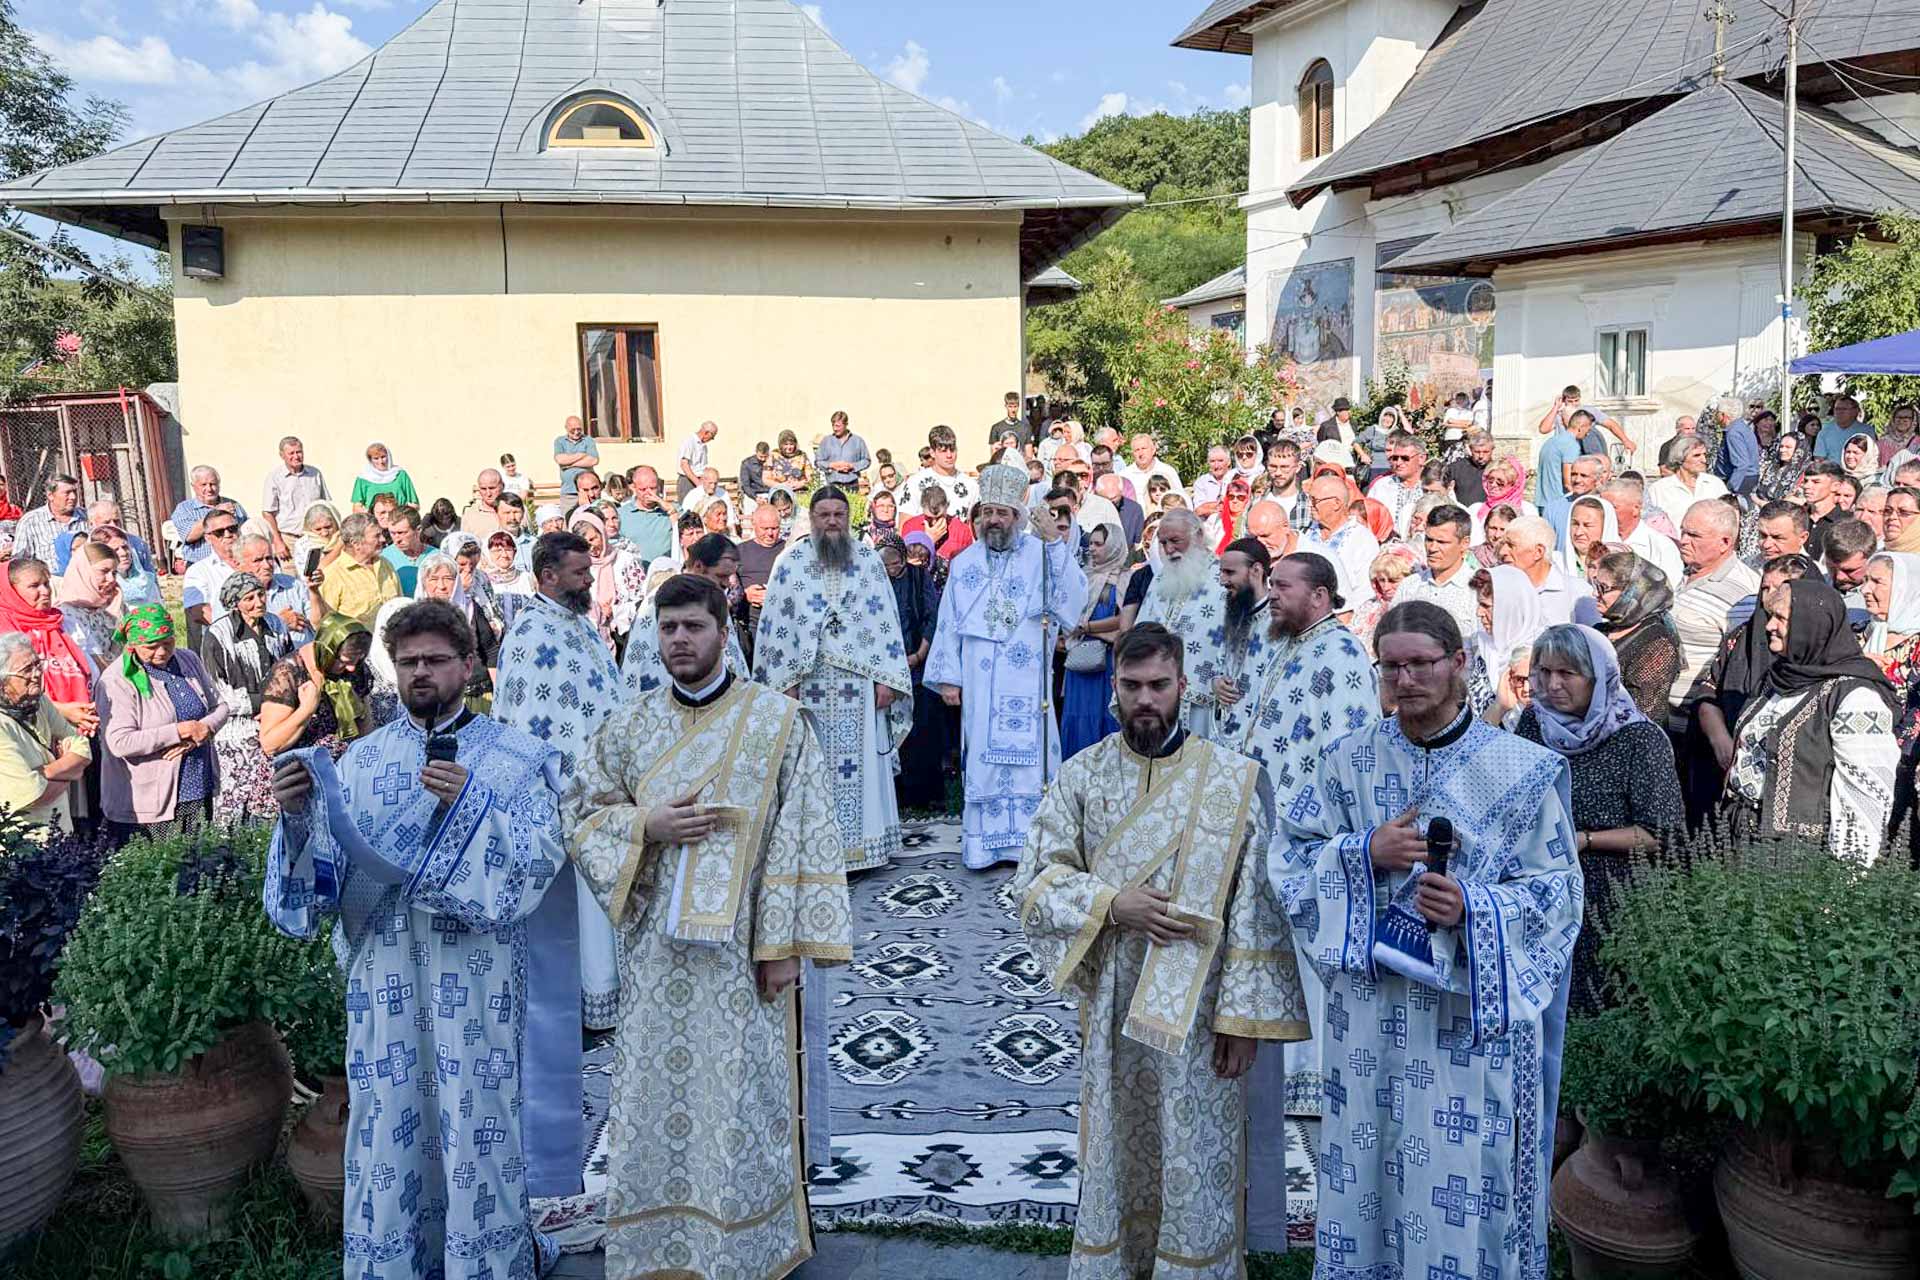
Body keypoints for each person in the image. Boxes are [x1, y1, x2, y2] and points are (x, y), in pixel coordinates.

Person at [266, 598, 581, 1277]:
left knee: (478, 1129)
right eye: (408, 662)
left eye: (436, 660)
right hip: (386, 987)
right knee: (388, 1130)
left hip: (478, 982)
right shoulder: (359, 763)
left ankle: (484, 1264)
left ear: (468, 666)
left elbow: (535, 865)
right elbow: (319, 893)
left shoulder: (517, 759)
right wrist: (296, 817)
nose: (421, 673)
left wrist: (472, 806)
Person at [1275, 600, 1581, 1280]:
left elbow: (1558, 894)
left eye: (1421, 664)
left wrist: (1475, 908)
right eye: (1392, 667)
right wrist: (1363, 852)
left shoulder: (1519, 767)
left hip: (1469, 1023)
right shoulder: (1346, 762)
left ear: (1459, 663)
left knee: (1463, 1176)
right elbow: (1289, 862)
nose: (1406, 679)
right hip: (1371, 1020)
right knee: (1369, 1168)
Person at [565, 572, 851, 1280]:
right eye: (668, 628)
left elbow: (804, 832)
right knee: (655, 1095)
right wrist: (646, 825)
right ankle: (661, 1243)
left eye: (694, 626)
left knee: (741, 1097)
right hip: (655, 955)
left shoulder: (776, 722)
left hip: (743, 956)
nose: (680, 640)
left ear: (725, 633)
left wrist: (783, 946)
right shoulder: (628, 727)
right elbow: (581, 815)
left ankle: (746, 1245)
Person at [1015, 623, 1307, 1279]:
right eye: (1132, 685)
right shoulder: (1081, 775)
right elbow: (1033, 879)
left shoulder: (1230, 781)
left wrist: (1241, 1022)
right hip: (1113, 1001)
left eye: (1158, 685)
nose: (1145, 699)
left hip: (1201, 1014)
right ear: (1114, 687)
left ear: (1183, 685)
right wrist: (1110, 904)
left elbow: (1256, 907)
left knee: (1194, 1149)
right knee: (1118, 1141)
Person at [1216, 550, 1377, 1127]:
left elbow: (1352, 751)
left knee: (1304, 946)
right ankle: (1263, 1058)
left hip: (1306, 832)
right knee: (1258, 938)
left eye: (1284, 586)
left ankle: (1309, 1076)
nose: (1273, 595)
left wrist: (1321, 827)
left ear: (1320, 595)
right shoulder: (1278, 640)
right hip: (1258, 820)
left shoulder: (1343, 655)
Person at [927, 463, 1086, 869]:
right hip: (979, 681)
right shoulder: (964, 563)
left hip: (1028, 679)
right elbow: (948, 621)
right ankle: (984, 847)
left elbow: (1072, 600)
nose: (994, 520)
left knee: (1033, 761)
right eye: (988, 512)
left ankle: (1031, 846)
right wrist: (949, 678)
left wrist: (1055, 543)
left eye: (1002, 512)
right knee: (983, 757)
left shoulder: (1041, 553)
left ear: (1018, 516)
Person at [1516, 625, 1682, 1014]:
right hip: (1541, 888)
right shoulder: (1534, 725)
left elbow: (1661, 833)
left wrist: (1585, 839)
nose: (1553, 685)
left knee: (1601, 1007)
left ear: (1597, 678)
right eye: (1544, 672)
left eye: (1567, 673)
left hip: (1611, 895)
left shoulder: (1638, 739)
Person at [494, 531, 622, 1029]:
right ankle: (581, 1005)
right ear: (548, 576)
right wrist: (565, 786)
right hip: (563, 796)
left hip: (603, 791)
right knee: (577, 908)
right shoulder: (529, 635)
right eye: (580, 572)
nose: (589, 579)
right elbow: (527, 721)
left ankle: (608, 994)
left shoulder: (580, 624)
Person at [753, 487, 911, 871]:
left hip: (860, 684)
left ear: (848, 517)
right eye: (824, 515)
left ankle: (863, 849)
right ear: (812, 518)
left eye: (839, 514)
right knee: (812, 766)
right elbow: (776, 627)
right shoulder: (790, 563)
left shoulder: (869, 561)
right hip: (808, 684)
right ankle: (816, 851)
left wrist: (887, 680)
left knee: (860, 766)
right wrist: (784, 684)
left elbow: (885, 622)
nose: (832, 522)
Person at [1724, 578, 1899, 863]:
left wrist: (1849, 874)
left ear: (1811, 625)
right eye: (1770, 616)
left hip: (1798, 858)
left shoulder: (1854, 697)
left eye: (1781, 618)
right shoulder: (1777, 680)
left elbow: (1866, 794)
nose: (1769, 625)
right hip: (1739, 839)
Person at [96, 606, 226, 839]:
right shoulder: (117, 680)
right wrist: (179, 731)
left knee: (200, 854)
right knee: (160, 858)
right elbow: (120, 742)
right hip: (148, 801)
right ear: (133, 644)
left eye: (168, 642)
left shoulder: (187, 659)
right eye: (152, 646)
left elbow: (220, 706)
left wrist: (203, 730)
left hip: (197, 782)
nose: (162, 651)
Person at [1128, 509, 1226, 736]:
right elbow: (1142, 627)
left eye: (1175, 540)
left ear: (1198, 536)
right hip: (1155, 693)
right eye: (1163, 543)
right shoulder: (1161, 577)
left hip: (1200, 698)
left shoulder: (1223, 579)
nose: (1169, 549)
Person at [0, 632, 91, 832]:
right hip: (24, 841)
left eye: (37, 665)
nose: (36, 674)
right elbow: (32, 793)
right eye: (27, 669)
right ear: (3, 682)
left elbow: (81, 744)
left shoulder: (39, 702)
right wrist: (70, 773)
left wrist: (47, 772)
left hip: (60, 831)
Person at [0, 557, 97, 734]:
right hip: (32, 728)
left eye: (46, 584)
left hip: (82, 719)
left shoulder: (59, 621)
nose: (45, 591)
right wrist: (62, 711)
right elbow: (12, 690)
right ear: (11, 590)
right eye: (34, 586)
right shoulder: (5, 631)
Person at [1059, 518, 1127, 760]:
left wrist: (1087, 628)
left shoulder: (1124, 578)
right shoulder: (1084, 576)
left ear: (1114, 546)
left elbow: (1124, 620)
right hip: (1080, 659)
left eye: (1099, 544)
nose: (1092, 549)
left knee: (1103, 713)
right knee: (1079, 713)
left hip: (1107, 659)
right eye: (1091, 544)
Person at [1297, 471, 1381, 611]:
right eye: (1308, 499)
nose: (1309, 505)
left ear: (1336, 503)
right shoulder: (1305, 533)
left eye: (1314, 500)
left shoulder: (1362, 540)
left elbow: (1365, 592)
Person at [1396, 505, 1480, 642]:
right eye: (1429, 540)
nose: (1432, 548)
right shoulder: (1410, 586)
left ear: (1464, 543)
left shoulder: (1477, 590)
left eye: (1442, 542)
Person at [564, 509, 645, 650]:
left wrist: (615, 610)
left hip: (625, 632)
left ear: (602, 533)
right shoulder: (576, 568)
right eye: (584, 544)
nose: (591, 547)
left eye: (593, 539)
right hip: (591, 635)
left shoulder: (625, 560)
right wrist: (596, 612)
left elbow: (640, 598)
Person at [1501, 515, 1598, 626]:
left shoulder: (1578, 593)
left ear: (1538, 552)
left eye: (1511, 545)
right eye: (1503, 544)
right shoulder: (1499, 589)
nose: (1502, 552)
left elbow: (1591, 635)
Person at [318, 512, 402, 628]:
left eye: (381, 534)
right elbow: (325, 623)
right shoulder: (333, 575)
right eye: (377, 536)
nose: (383, 539)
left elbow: (400, 604)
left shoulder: (385, 564)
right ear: (356, 543)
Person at [54, 540, 125, 674]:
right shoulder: (67, 616)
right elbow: (100, 667)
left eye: (114, 573)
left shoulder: (108, 605)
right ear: (83, 572)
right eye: (104, 571)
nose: (111, 579)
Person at [259, 436, 330, 563]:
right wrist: (277, 541)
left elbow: (325, 505)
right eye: (291, 453)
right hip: (289, 540)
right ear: (282, 455)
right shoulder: (275, 478)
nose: (296, 456)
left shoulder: (315, 474)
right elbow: (268, 513)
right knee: (290, 575)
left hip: (315, 538)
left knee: (318, 572)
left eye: (299, 452)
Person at [170, 466, 248, 568]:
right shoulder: (184, 508)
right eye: (204, 485)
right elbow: (189, 535)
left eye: (213, 484)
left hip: (233, 563)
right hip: (200, 565)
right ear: (193, 486)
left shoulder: (233, 505)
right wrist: (215, 513)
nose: (209, 489)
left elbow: (245, 533)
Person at [1366, 430, 1428, 540]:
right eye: (1395, 458)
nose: (1398, 463)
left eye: (1405, 458)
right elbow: (1368, 518)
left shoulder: (1432, 487)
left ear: (1421, 458)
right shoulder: (1381, 486)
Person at [14, 474, 86, 570]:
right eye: (67, 493)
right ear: (50, 496)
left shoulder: (87, 516)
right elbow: (19, 562)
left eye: (74, 492)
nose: (73, 497)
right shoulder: (30, 521)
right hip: (51, 577)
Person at [1648, 434, 1729, 517]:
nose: (1704, 460)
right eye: (1696, 455)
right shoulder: (1659, 489)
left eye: (1705, 455)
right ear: (1680, 458)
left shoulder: (1715, 484)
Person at [900, 485, 974, 562]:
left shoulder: (962, 531)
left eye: (939, 517)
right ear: (922, 507)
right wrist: (928, 541)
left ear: (947, 506)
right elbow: (907, 562)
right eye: (929, 518)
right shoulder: (910, 527)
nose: (934, 522)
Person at [347, 442, 416, 511]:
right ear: (370, 460)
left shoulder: (400, 474)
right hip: (373, 517)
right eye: (376, 458)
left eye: (383, 457)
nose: (381, 462)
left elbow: (414, 504)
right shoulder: (363, 478)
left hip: (398, 515)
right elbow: (357, 507)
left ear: (388, 456)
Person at [1813, 394, 1873, 462]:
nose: (1839, 412)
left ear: (1855, 411)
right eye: (1837, 409)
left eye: (1844, 409)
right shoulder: (1825, 432)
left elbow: (1872, 457)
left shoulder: (1867, 431)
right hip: (1831, 468)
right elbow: (1819, 460)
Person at [553, 414, 601, 497]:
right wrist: (582, 455)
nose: (576, 432)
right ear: (566, 428)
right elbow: (560, 460)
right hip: (568, 491)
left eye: (579, 429)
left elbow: (593, 460)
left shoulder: (588, 440)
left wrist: (568, 465)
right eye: (573, 430)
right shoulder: (559, 441)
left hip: (588, 491)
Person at [1447, 429, 1495, 507]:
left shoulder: (1497, 469)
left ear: (1492, 450)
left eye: (1485, 452)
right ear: (1470, 449)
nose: (1481, 456)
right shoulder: (1455, 469)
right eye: (1477, 452)